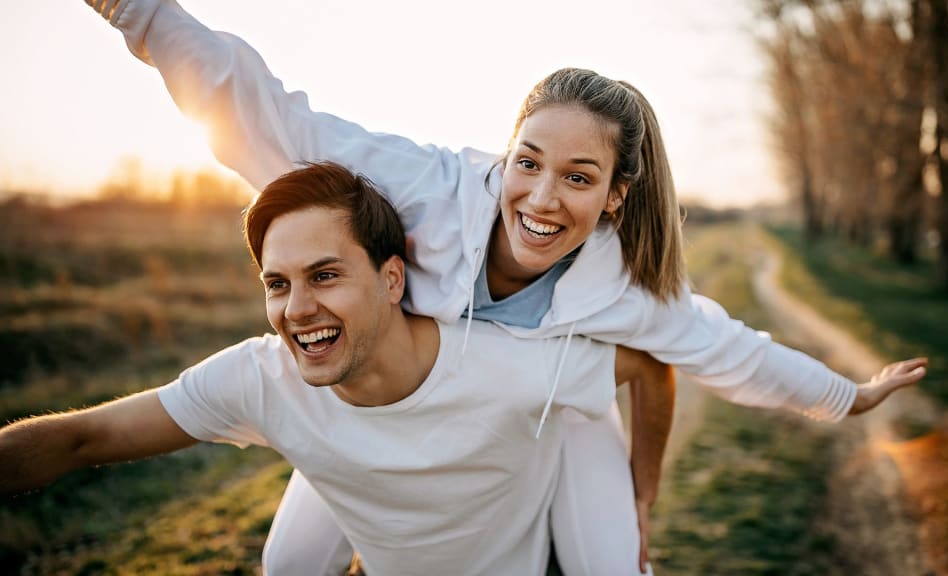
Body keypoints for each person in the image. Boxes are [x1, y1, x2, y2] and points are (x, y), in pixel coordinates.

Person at [81, 2, 928, 574]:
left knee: (609, 566)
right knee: (289, 564)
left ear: (614, 196)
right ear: (507, 152)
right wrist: (138, 13)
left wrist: (847, 395)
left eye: (578, 177)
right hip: (386, 415)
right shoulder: (422, 187)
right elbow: (263, 114)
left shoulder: (626, 286)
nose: (541, 197)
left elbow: (731, 353)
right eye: (528, 162)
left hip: (547, 420)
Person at [0, 161, 671, 575]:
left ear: (391, 278)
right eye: (277, 284)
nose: (297, 309)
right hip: (374, 491)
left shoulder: (513, 369)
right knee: (288, 564)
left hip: (529, 495)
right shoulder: (260, 378)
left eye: (325, 275)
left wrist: (641, 491)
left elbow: (653, 365)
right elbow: (82, 438)